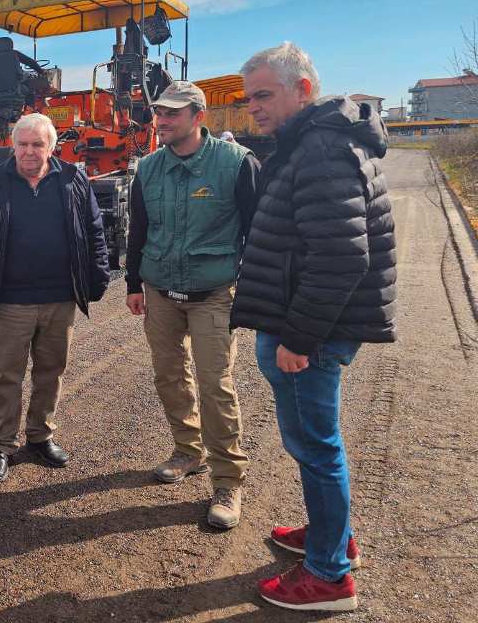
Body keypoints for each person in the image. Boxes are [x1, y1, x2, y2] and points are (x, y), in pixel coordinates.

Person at [231, 43, 396, 611]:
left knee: (317, 447)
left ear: (302, 89)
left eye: (263, 94)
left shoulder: (322, 148)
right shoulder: (314, 141)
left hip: (311, 334)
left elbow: (340, 256)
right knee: (312, 445)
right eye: (249, 97)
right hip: (305, 324)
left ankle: (329, 576)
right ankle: (332, 537)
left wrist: (300, 338)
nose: (253, 107)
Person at [124, 80, 260, 530]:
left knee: (215, 384)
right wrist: (133, 283)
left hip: (213, 293)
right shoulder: (148, 169)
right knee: (168, 376)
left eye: (172, 114)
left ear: (198, 117)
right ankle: (188, 450)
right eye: (159, 113)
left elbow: (257, 232)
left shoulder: (236, 164)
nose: (161, 121)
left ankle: (228, 481)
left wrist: (254, 290)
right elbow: (138, 230)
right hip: (160, 290)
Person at [0, 113, 110, 483]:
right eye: (23, 144)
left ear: (52, 147)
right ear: (12, 146)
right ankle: (2, 445)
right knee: (4, 375)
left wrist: (98, 278)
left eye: (37, 144)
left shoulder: (73, 179)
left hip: (60, 299)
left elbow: (93, 230)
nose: (29, 151)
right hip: (10, 301)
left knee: (51, 371)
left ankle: (41, 435)